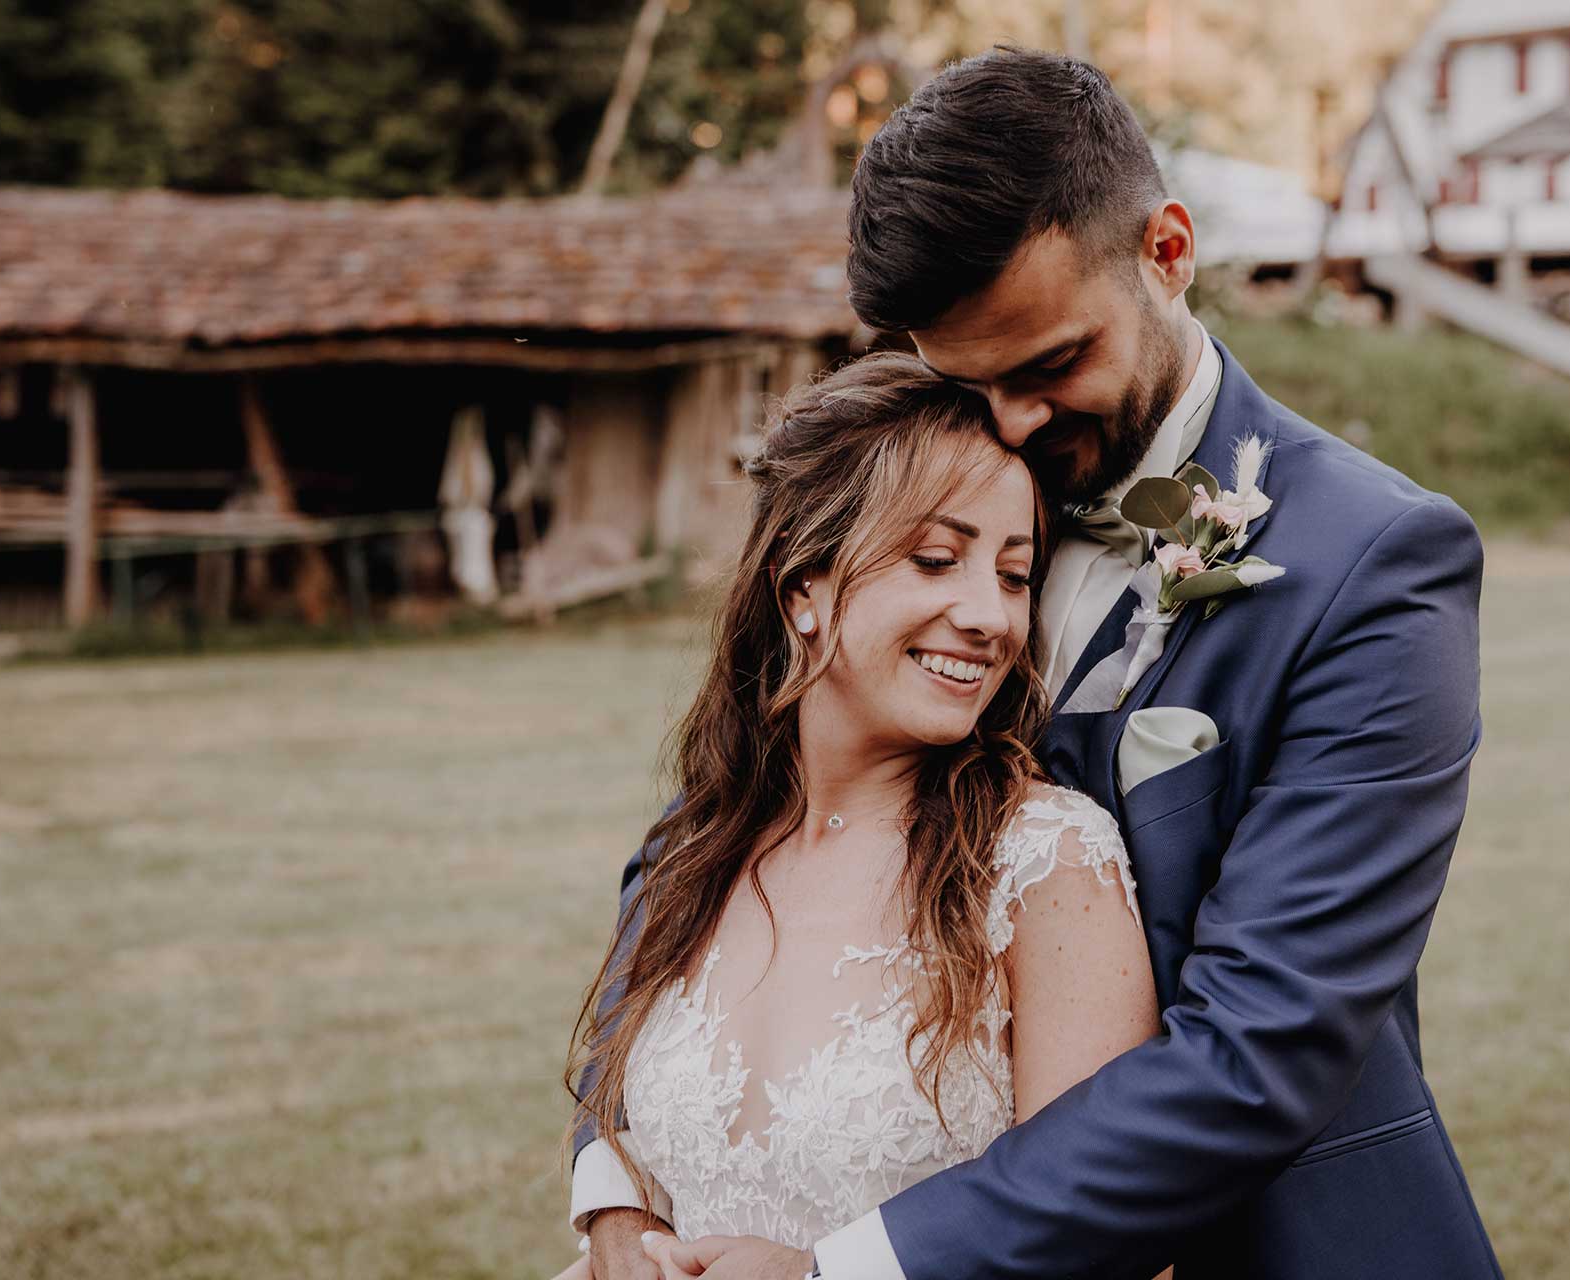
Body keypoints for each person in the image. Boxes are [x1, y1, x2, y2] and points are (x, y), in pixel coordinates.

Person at [574, 46, 1503, 1280]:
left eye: (1050, 364)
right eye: (970, 380)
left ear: (1168, 251)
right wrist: (614, 1181)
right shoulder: (953, 485)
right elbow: (724, 825)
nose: (1010, 423)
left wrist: (843, 1268)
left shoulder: (1374, 565)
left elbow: (1262, 1044)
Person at [555, 352, 1163, 1280]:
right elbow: (625, 1107)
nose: (989, 617)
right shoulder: (697, 851)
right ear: (804, 587)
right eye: (935, 561)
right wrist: (618, 1216)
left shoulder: (1045, 861)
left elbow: (1118, 1252)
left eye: (1012, 575)